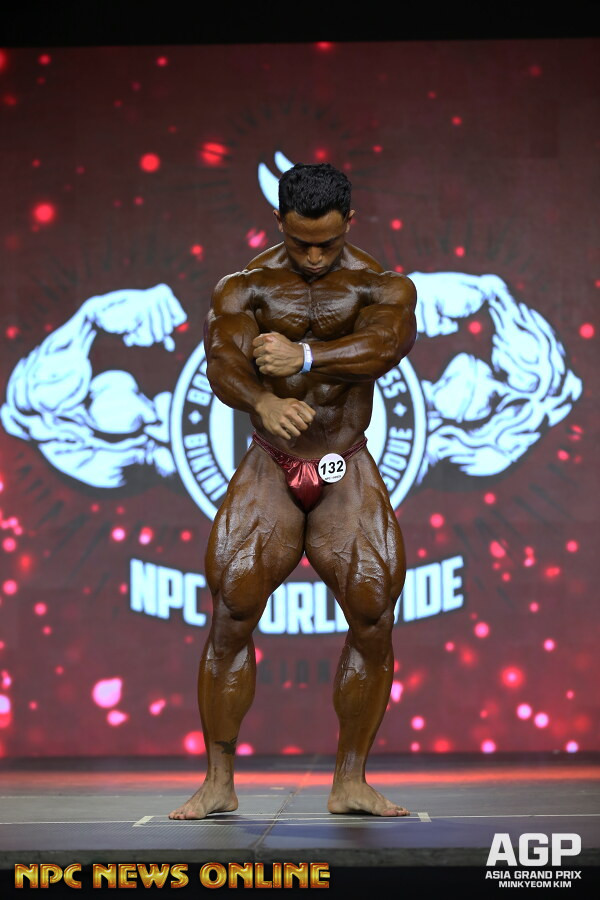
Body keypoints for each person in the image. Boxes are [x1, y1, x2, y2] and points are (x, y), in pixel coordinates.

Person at [169, 163, 417, 819]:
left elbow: (386, 347)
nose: (313, 257)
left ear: (350, 223)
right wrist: (262, 400)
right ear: (278, 220)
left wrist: (305, 358)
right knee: (231, 614)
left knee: (373, 617)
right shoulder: (244, 287)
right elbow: (222, 360)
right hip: (271, 464)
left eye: (327, 243)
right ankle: (218, 783)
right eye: (300, 241)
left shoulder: (382, 285)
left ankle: (350, 781)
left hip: (344, 463)